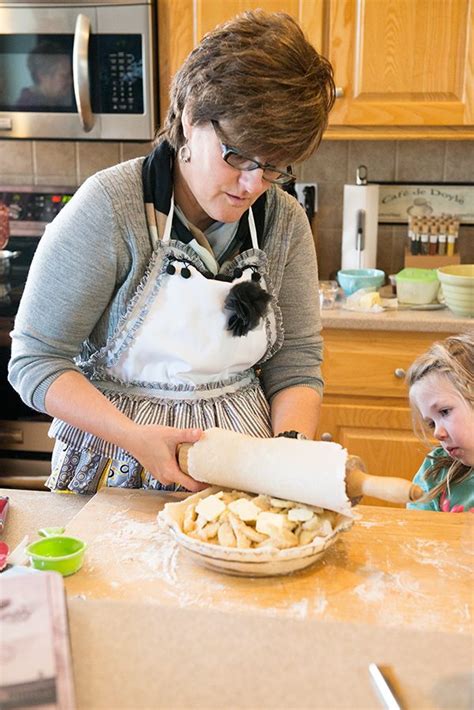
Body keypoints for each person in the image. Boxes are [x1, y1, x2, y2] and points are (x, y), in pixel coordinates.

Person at [8, 10, 335, 495]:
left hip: (237, 469)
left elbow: (297, 362)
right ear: (189, 116)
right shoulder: (110, 208)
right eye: (239, 156)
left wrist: (286, 452)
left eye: (274, 167)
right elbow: (35, 360)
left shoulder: (283, 220)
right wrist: (135, 436)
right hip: (114, 463)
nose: (253, 185)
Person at [406, 333, 474, 512]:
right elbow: (417, 533)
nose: (437, 433)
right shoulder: (435, 473)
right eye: (431, 424)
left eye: (444, 412)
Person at [16, 40, 73, 109]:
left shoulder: (54, 100)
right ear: (43, 76)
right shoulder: (28, 106)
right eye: (65, 76)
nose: (71, 81)